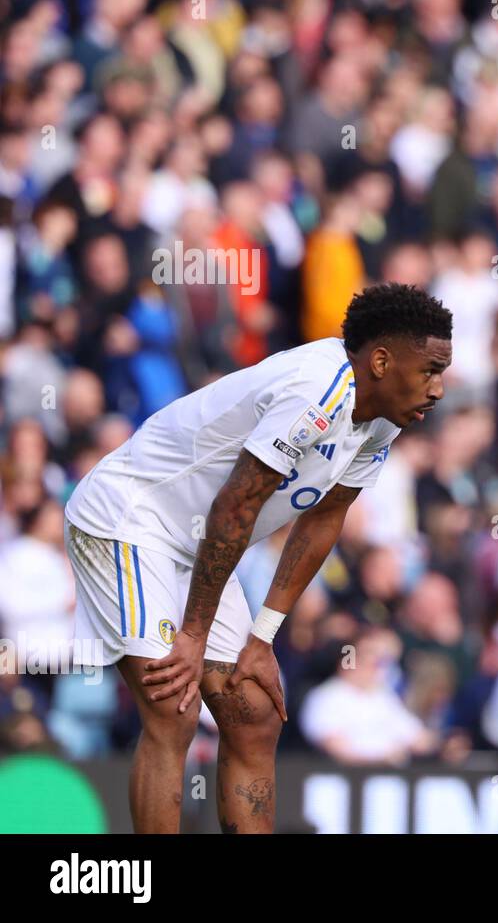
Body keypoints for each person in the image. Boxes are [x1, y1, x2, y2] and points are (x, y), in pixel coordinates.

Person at [63, 283, 453, 832]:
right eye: (431, 370)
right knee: (175, 709)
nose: (439, 389)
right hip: (129, 521)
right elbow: (235, 506)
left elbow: (323, 518)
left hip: (197, 548)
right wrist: (194, 636)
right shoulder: (318, 391)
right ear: (382, 361)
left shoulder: (383, 419)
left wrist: (262, 637)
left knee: (256, 716)